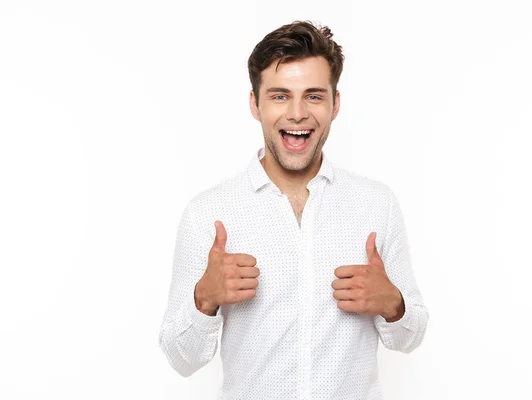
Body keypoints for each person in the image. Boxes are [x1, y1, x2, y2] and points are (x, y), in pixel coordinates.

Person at [158, 20, 429, 399]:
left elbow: (410, 337)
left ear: (336, 104)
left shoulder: (376, 204)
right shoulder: (208, 212)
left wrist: (393, 305)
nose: (298, 113)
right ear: (255, 104)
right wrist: (204, 300)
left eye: (314, 96)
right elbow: (180, 358)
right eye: (280, 96)